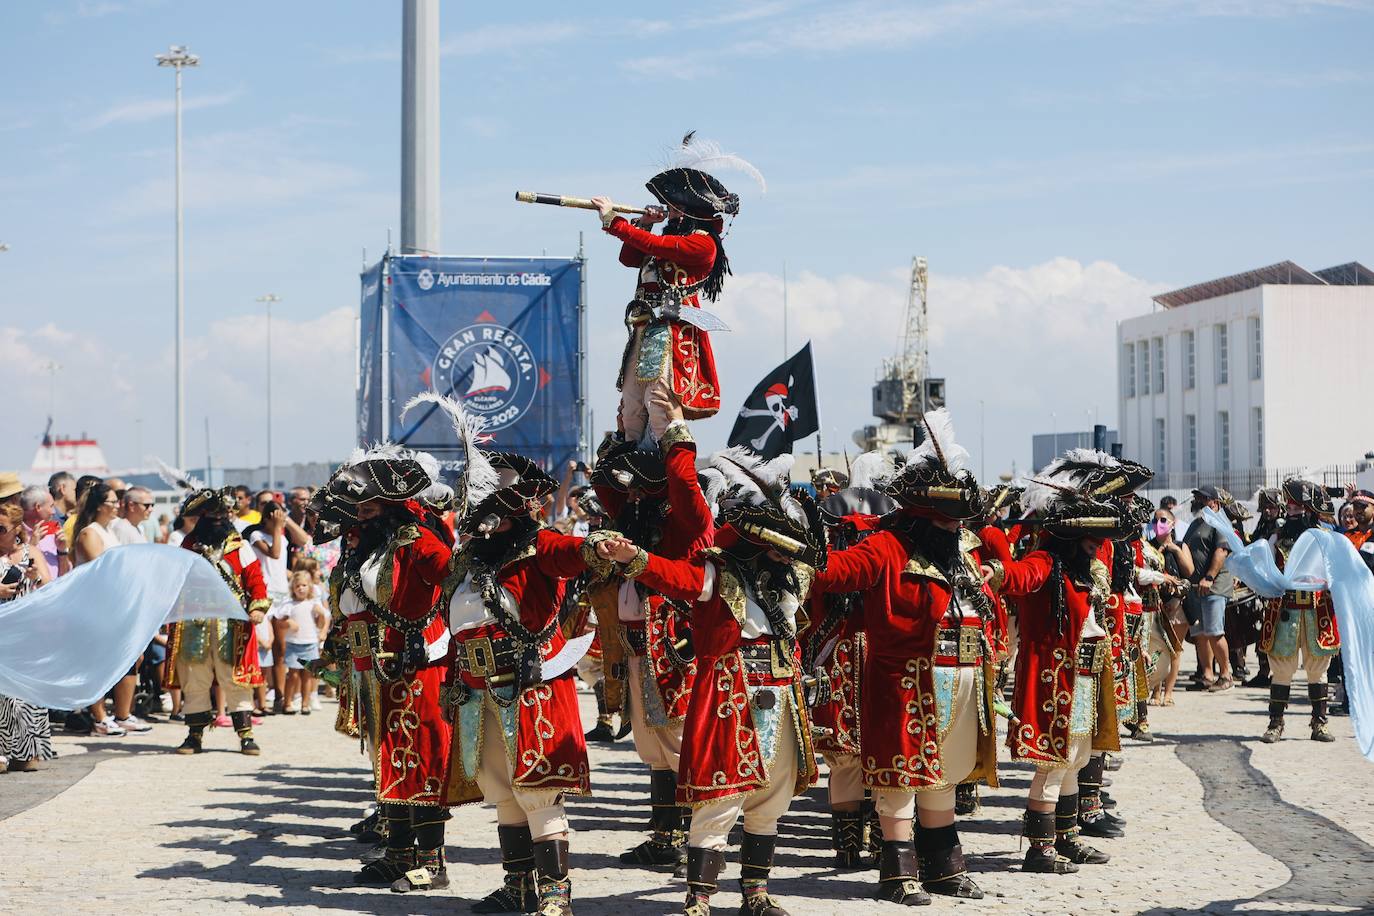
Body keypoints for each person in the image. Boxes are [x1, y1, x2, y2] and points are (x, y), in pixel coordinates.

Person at [604, 447, 824, 916]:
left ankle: (756, 893)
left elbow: (828, 574)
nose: (781, 556)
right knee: (720, 796)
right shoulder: (718, 575)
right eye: (773, 546)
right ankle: (699, 897)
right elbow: (676, 577)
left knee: (772, 798)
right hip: (731, 695)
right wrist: (639, 559)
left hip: (782, 694)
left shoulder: (793, 579)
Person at [415, 392, 605, 916]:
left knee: (538, 791)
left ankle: (555, 897)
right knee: (501, 789)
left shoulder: (540, 546)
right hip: (477, 689)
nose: (479, 519)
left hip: (531, 684)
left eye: (489, 509)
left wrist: (597, 547)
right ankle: (518, 887)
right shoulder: (469, 560)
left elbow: (572, 554)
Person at [810, 410, 1002, 903]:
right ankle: (898, 872)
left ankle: (944, 866)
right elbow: (833, 574)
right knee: (901, 775)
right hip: (906, 680)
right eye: (943, 515)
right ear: (918, 512)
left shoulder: (962, 549)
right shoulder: (888, 546)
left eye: (957, 516)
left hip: (960, 677)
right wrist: (803, 540)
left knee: (946, 773)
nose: (952, 524)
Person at [320, 441, 456, 894]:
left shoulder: (418, 541)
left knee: (423, 757)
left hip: (417, 668)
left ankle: (432, 864)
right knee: (390, 756)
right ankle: (398, 853)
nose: (358, 514)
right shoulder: (369, 545)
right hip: (377, 669)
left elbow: (453, 577)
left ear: (391, 507)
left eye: (368, 506)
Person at [589, 418, 712, 874]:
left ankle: (692, 839)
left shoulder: (686, 517)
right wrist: (623, 438)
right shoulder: (637, 515)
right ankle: (664, 837)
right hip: (640, 645)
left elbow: (681, 483)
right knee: (652, 745)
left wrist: (674, 431)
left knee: (679, 742)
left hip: (675, 647)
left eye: (642, 488)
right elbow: (607, 488)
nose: (632, 496)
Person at [999, 478, 1140, 876]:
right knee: (1053, 763)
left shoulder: (1082, 570)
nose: (1097, 547)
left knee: (1076, 759)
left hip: (1085, 676)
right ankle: (1040, 850)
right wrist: (996, 567)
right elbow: (1019, 577)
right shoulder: (1046, 562)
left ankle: (1067, 837)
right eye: (1090, 540)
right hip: (1057, 677)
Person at [591, 134, 762, 445]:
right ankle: (636, 473)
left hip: (673, 330)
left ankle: (673, 473)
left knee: (661, 404)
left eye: (671, 207)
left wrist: (614, 221)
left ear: (688, 211)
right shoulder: (669, 241)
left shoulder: (702, 244)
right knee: (630, 406)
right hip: (645, 328)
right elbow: (629, 257)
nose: (667, 211)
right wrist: (643, 223)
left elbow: (654, 245)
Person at [164, 487, 271, 755]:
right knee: (194, 678)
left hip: (231, 623)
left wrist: (257, 607)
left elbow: (255, 580)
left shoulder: (240, 547)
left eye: (221, 515)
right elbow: (176, 580)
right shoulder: (189, 545)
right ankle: (194, 736)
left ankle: (246, 736)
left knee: (234, 678)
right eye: (211, 516)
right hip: (194, 622)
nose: (217, 520)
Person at [1259, 477, 1342, 743]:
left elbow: (1336, 572)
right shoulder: (1276, 537)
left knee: (1318, 668)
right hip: (1286, 609)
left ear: (1309, 510)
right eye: (1290, 508)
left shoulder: (1326, 539)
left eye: (1297, 508)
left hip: (1317, 610)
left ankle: (1319, 723)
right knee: (1282, 669)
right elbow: (1267, 570)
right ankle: (1275, 723)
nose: (1292, 513)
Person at [71, 482, 151, 735]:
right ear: (99, 506)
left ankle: (123, 713)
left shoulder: (110, 531)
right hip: (96, 605)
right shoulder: (89, 533)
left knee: (129, 658)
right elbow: (100, 568)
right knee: (98, 661)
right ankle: (99, 717)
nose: (117, 506)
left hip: (116, 603)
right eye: (112, 502)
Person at [0, 503, 54, 771]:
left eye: (1, 529)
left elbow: (49, 588)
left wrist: (36, 578)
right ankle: (2, 752)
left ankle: (27, 751)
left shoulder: (30, 552)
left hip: (25, 635)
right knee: (3, 696)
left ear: (17, 529)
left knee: (26, 695)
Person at [1181, 486, 1235, 691]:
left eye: (1203, 498)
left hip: (1214, 585)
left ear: (1215, 502)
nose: (1198, 501)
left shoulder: (1219, 523)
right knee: (1200, 633)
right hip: (1196, 587)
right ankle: (1207, 675)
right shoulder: (1196, 523)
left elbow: (1221, 551)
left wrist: (1210, 577)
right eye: (1197, 498)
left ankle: (1226, 674)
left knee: (1214, 632)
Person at [1144, 507, 1193, 706]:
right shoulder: (1148, 546)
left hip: (1177, 605)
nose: (1158, 524)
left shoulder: (1181, 545)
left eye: (1163, 520)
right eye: (1155, 521)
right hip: (1154, 604)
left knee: (1174, 650)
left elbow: (1189, 571)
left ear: (1173, 524)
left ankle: (1168, 693)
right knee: (1156, 648)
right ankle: (1155, 690)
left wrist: (1174, 549)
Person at [248, 499, 291, 713]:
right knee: (263, 647)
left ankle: (281, 697)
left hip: (282, 594)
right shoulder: (256, 536)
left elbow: (304, 540)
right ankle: (261, 697)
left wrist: (286, 522)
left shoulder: (282, 536)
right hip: (264, 594)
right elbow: (273, 553)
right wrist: (275, 528)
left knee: (281, 648)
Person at [272, 570, 328, 715]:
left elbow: (325, 618)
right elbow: (278, 618)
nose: (301, 588)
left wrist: (322, 627)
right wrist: (289, 622)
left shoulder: (313, 603)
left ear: (309, 587)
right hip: (294, 644)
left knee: (307, 675)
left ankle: (305, 704)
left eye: (304, 585)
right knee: (293, 675)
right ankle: (288, 703)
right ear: (293, 588)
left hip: (309, 643)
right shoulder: (289, 604)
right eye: (298, 586)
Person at [19, 486, 61, 578]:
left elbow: (66, 575)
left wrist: (62, 551)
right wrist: (31, 546)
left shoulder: (53, 532)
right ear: (38, 507)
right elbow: (14, 570)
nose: (54, 512)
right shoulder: (14, 534)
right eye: (51, 506)